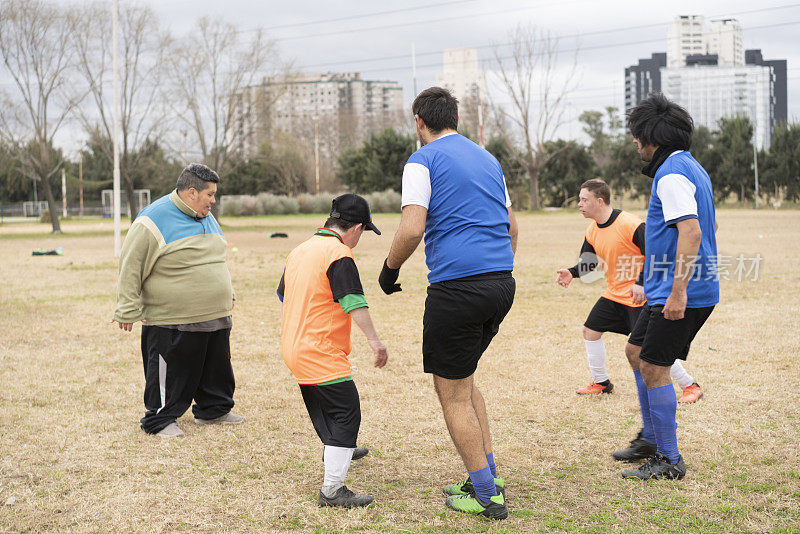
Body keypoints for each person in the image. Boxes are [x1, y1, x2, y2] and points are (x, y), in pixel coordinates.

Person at [379, 87, 517, 520]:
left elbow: (411, 228)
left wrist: (389, 269)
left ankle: (486, 496)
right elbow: (512, 225)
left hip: (458, 290)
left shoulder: (421, 161)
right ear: (453, 117)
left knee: (452, 393)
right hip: (500, 284)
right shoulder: (487, 158)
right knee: (464, 382)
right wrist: (497, 267)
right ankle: (486, 476)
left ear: (419, 121)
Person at [614, 93, 719, 480]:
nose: (635, 143)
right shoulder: (691, 168)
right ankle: (651, 437)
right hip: (668, 288)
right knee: (635, 350)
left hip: (683, 293)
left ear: (650, 139)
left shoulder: (672, 174)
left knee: (655, 368)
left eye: (637, 136)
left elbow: (691, 232)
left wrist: (678, 292)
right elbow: (711, 227)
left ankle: (669, 459)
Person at [113, 163, 242, 438]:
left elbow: (214, 256)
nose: (213, 200)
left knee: (216, 366)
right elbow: (130, 265)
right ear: (192, 192)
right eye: (210, 194)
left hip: (214, 315)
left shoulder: (205, 215)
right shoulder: (152, 219)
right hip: (171, 320)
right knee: (168, 370)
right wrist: (127, 308)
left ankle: (214, 410)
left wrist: (226, 291)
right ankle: (159, 419)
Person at [277, 194, 389, 508]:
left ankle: (340, 447)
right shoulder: (339, 254)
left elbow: (283, 294)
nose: (360, 238)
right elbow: (353, 301)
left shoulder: (301, 249)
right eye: (364, 231)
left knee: (325, 407)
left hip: (295, 347)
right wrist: (375, 341)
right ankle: (332, 490)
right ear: (355, 227)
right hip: (320, 350)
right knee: (346, 411)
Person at [556, 179, 703, 403]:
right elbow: (588, 265)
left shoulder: (631, 224)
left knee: (651, 348)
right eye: (579, 200)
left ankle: (690, 385)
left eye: (584, 200)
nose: (579, 204)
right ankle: (602, 382)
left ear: (600, 201)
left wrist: (642, 283)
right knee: (590, 331)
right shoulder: (592, 230)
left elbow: (655, 254)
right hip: (614, 295)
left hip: (639, 298)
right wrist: (572, 272)